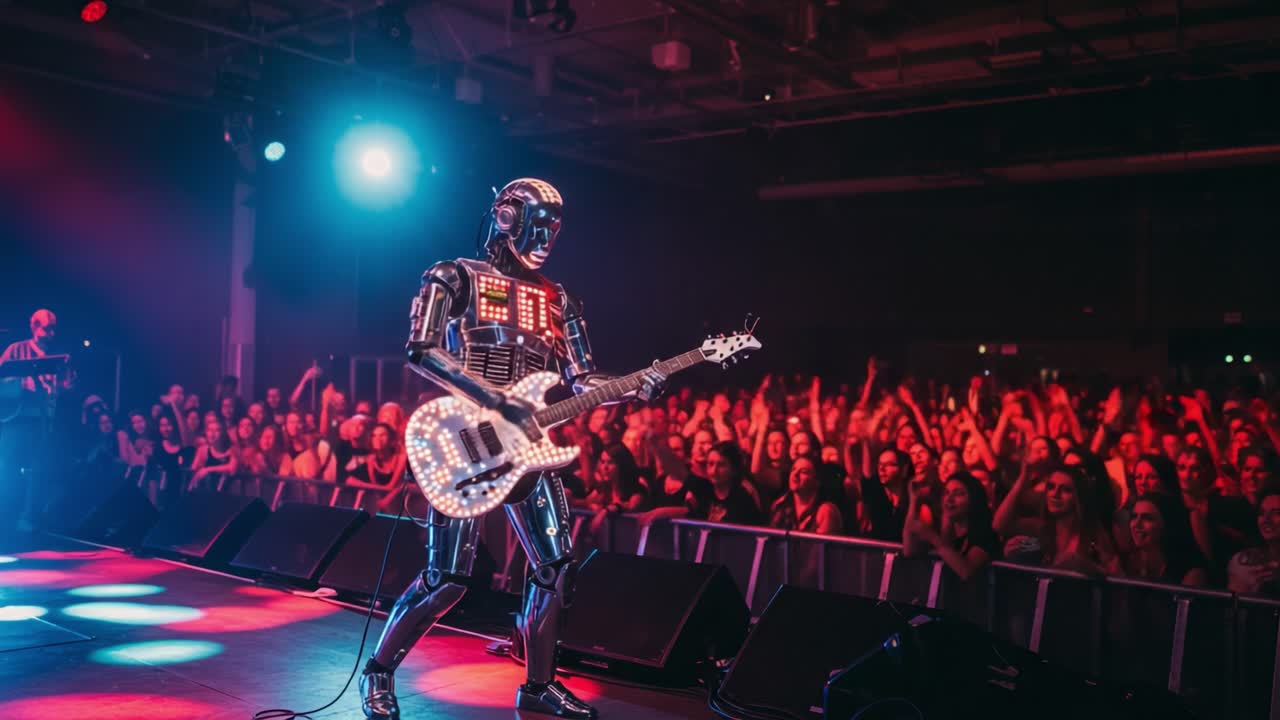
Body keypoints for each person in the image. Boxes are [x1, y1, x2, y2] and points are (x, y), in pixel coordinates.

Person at [360, 179, 665, 720]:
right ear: (504, 217)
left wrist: (633, 383)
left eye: (555, 228)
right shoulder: (454, 276)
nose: (546, 238)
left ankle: (538, 685)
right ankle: (379, 672)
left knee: (556, 566)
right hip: (466, 440)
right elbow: (421, 349)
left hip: (530, 448)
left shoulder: (559, 298)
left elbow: (581, 378)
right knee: (447, 580)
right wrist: (496, 401)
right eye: (537, 224)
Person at [0, 309, 72, 533]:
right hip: (17, 419)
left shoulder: (58, 355)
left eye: (53, 328)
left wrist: (62, 387)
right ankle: (5, 516)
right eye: (46, 328)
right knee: (9, 467)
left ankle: (29, 518)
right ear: (33, 326)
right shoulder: (17, 349)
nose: (51, 333)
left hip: (43, 421)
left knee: (39, 469)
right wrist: (21, 384)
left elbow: (67, 386)